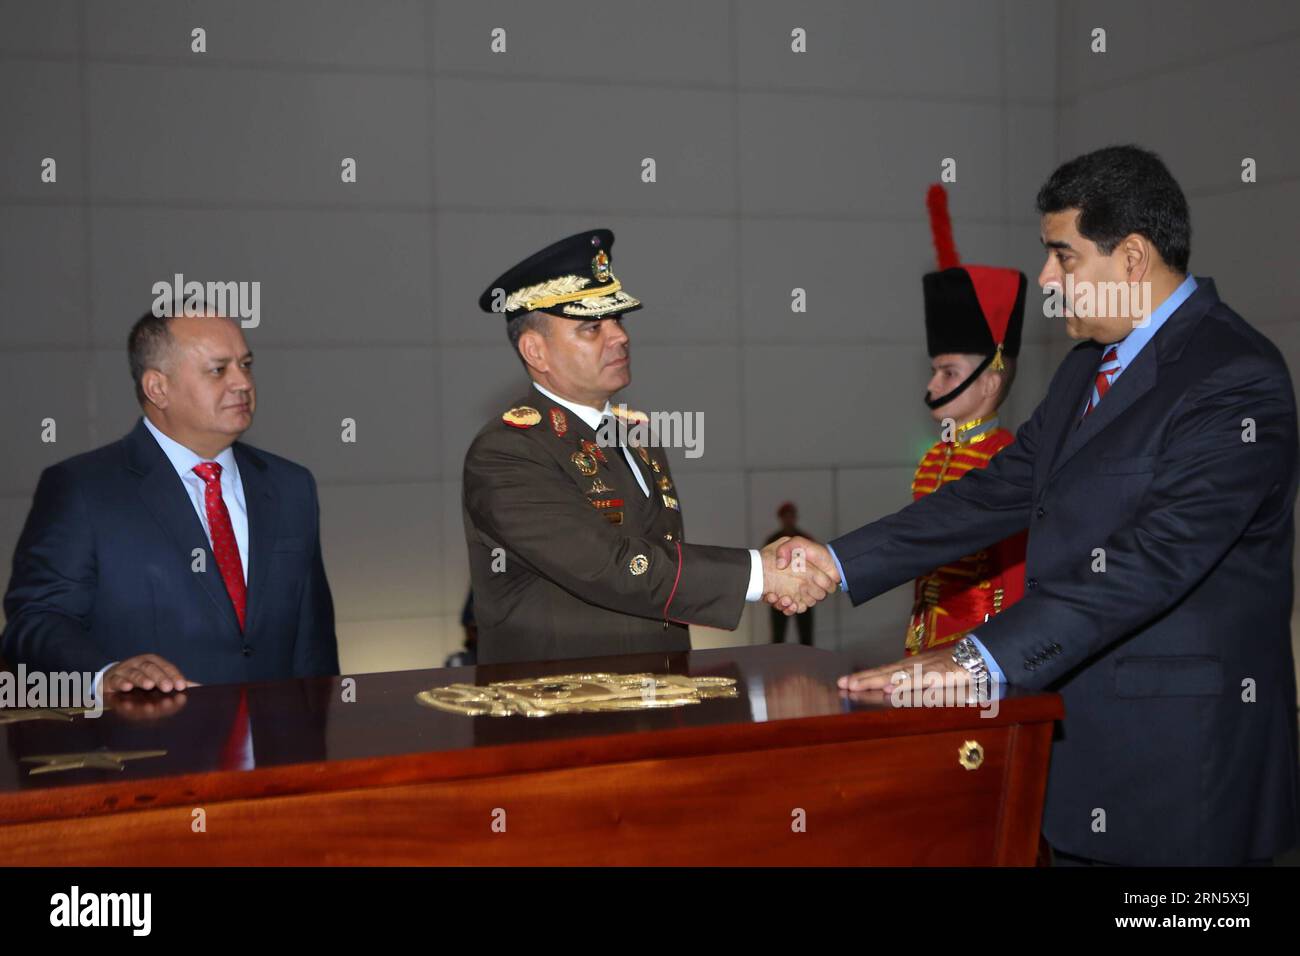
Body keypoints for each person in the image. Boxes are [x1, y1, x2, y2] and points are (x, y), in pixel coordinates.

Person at [775, 146, 1300, 866]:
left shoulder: (1235, 378)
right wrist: (837, 560)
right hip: (1074, 754)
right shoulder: (1087, 367)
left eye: (1064, 257)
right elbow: (995, 493)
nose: (1048, 281)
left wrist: (980, 658)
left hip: (1181, 772)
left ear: (1134, 259)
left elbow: (1154, 561)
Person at [463, 229, 833, 665]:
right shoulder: (508, 451)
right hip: (566, 711)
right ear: (536, 352)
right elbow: (611, 566)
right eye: (592, 328)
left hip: (660, 695)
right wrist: (760, 572)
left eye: (618, 321)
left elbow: (660, 558)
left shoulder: (633, 436)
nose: (619, 337)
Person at [2, 304, 339, 693]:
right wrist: (105, 674)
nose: (242, 382)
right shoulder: (83, 488)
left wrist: (321, 736)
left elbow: (313, 642)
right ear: (157, 388)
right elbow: (36, 619)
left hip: (283, 749)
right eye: (219, 370)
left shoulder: (290, 485)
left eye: (245, 365)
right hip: (153, 744)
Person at [903, 184, 1028, 656]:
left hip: (979, 650)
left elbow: (1015, 575)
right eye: (936, 370)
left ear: (990, 381)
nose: (934, 384)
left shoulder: (1008, 460)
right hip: (924, 645)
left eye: (949, 372)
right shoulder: (933, 458)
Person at [765, 503, 815, 646]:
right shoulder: (773, 540)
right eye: (786, 517)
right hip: (780, 593)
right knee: (778, 634)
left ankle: (807, 663)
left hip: (802, 592)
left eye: (790, 516)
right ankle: (776, 663)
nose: (788, 520)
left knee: (805, 633)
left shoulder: (804, 538)